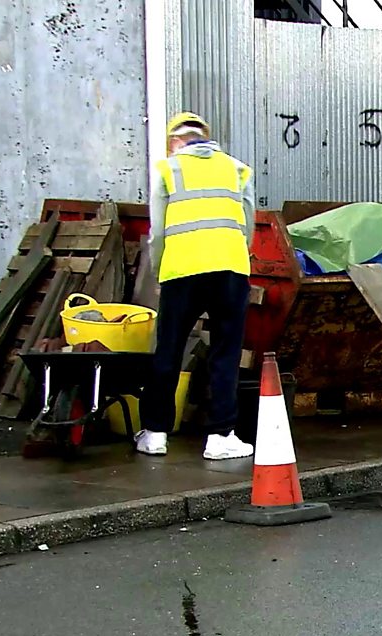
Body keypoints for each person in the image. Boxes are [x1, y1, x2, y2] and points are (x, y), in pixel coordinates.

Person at [135, 112, 256, 460]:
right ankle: (221, 436)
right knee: (225, 354)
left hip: (182, 271)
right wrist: (236, 255)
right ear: (207, 137)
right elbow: (248, 223)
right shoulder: (238, 169)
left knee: (169, 350)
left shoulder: (166, 169)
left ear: (175, 140)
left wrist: (159, 269)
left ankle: (156, 433)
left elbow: (156, 232)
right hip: (231, 269)